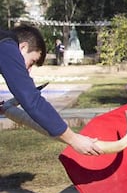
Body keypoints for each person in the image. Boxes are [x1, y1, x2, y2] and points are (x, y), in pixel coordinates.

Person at [0, 25, 103, 156]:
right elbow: (31, 100)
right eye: (32, 62)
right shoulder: (7, 46)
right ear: (23, 47)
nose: (28, 70)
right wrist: (74, 139)